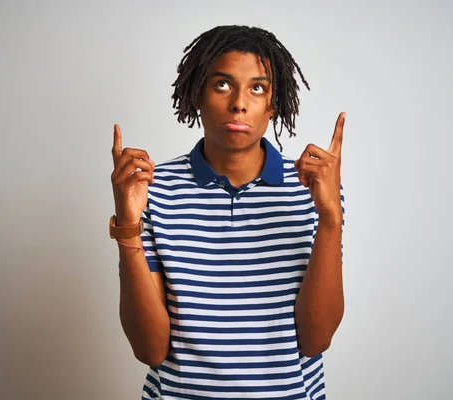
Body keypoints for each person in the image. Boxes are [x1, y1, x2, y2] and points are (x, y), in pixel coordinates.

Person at [109, 25, 345, 400]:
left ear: (273, 103)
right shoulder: (152, 187)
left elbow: (316, 340)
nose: (239, 102)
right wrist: (127, 227)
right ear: (197, 94)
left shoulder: (313, 188)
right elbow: (149, 350)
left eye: (257, 87)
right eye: (222, 84)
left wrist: (331, 219)